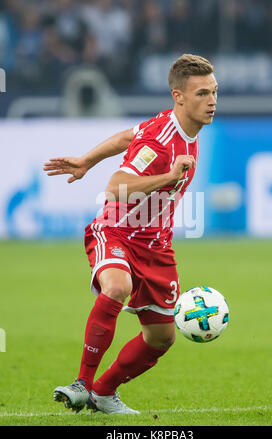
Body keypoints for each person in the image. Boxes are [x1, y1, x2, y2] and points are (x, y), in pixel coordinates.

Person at [43, 53, 218, 415]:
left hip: (157, 245)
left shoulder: (180, 127)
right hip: (117, 231)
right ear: (178, 96)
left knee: (161, 337)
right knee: (117, 287)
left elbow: (128, 134)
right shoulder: (161, 142)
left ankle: (103, 392)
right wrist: (169, 177)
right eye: (201, 93)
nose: (212, 101)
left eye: (214, 92)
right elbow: (116, 187)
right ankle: (81, 382)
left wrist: (87, 159)